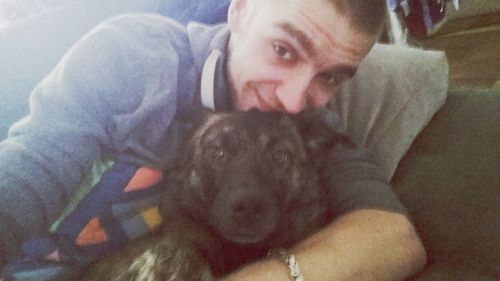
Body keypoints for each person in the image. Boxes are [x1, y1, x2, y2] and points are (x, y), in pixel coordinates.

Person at [0, 0, 427, 280]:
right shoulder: (134, 57)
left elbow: (393, 235)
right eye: (283, 49)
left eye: (330, 76)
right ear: (239, 11)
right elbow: (30, 172)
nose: (294, 100)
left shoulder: (312, 128)